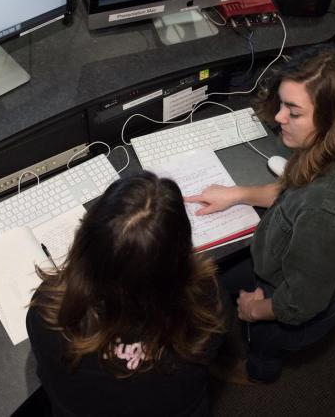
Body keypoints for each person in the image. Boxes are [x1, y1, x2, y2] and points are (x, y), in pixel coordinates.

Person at [185, 47, 335, 384]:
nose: (279, 118)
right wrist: (236, 194)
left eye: (294, 112)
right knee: (213, 279)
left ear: (334, 121)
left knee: (264, 348)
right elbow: (293, 192)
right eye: (282, 104)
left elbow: (299, 303)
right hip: (279, 266)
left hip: (288, 306)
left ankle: (257, 373)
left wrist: (255, 310)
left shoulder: (329, 217)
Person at [26, 171, 225, 417]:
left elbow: (46, 373)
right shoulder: (209, 302)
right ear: (180, 252)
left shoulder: (48, 312)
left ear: (87, 240)